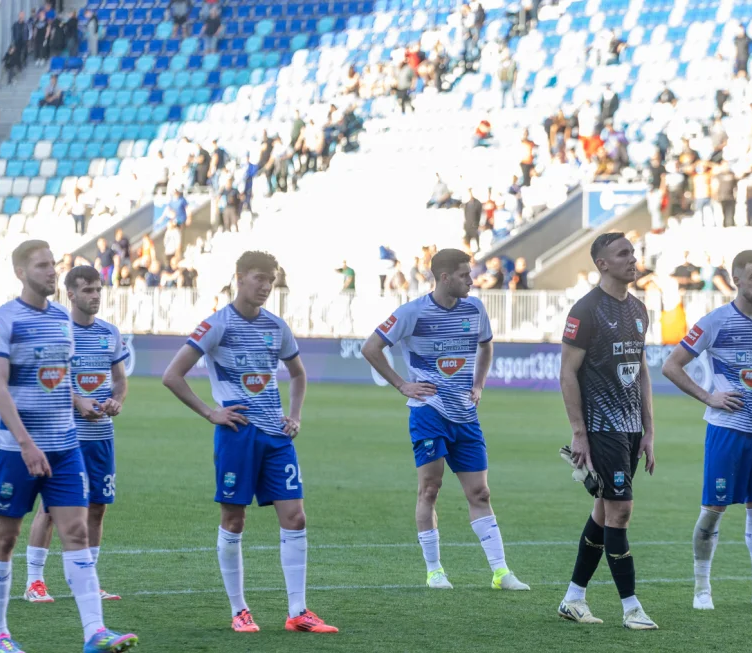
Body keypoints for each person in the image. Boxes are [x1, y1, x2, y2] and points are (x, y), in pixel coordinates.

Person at [162, 251, 339, 635]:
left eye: (271, 281)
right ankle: (240, 609)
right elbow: (172, 375)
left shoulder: (277, 327)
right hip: (237, 435)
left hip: (276, 437)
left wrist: (295, 415)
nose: (265, 287)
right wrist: (211, 412)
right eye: (259, 278)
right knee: (234, 519)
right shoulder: (216, 325)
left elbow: (298, 374)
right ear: (239, 277)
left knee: (296, 517)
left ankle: (298, 611)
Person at [0, 240, 138, 653]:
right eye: (42, 266)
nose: (51, 271)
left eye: (53, 264)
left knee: (76, 531)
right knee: (5, 538)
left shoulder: (63, 323)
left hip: (66, 447)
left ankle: (94, 633)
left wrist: (82, 402)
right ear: (20, 272)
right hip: (16, 449)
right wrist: (27, 443)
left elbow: (59, 380)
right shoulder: (2, 320)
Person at [360, 248, 531, 592]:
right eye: (465, 275)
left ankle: (501, 573)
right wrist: (402, 384)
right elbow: (370, 347)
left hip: (465, 414)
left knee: (480, 492)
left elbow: (486, 345)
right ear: (444, 278)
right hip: (429, 413)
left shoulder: (475, 308)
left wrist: (479, 384)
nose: (472, 280)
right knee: (430, 489)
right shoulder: (412, 312)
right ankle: (435, 571)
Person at [661, 249, 752, 611]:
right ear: (736, 279)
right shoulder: (715, 321)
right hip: (727, 430)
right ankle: (702, 589)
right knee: (713, 509)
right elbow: (672, 366)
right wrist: (709, 397)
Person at [556, 232, 657, 630]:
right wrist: (579, 433)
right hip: (601, 427)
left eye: (633, 252)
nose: (633, 259)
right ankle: (632, 608)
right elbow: (567, 372)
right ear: (602, 264)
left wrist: (649, 430)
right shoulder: (586, 310)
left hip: (631, 428)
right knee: (620, 512)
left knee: (603, 510)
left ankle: (573, 599)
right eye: (623, 254)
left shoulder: (639, 309)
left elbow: (642, 370)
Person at [22, 265, 129, 604]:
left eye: (98, 289)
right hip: (62, 436)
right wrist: (77, 400)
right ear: (70, 293)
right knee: (53, 508)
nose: (95, 296)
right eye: (87, 290)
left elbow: (121, 380)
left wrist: (116, 400)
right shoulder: (56, 331)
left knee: (97, 507)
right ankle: (35, 582)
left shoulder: (109, 333)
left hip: (100, 436)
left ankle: (88, 581)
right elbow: (44, 381)